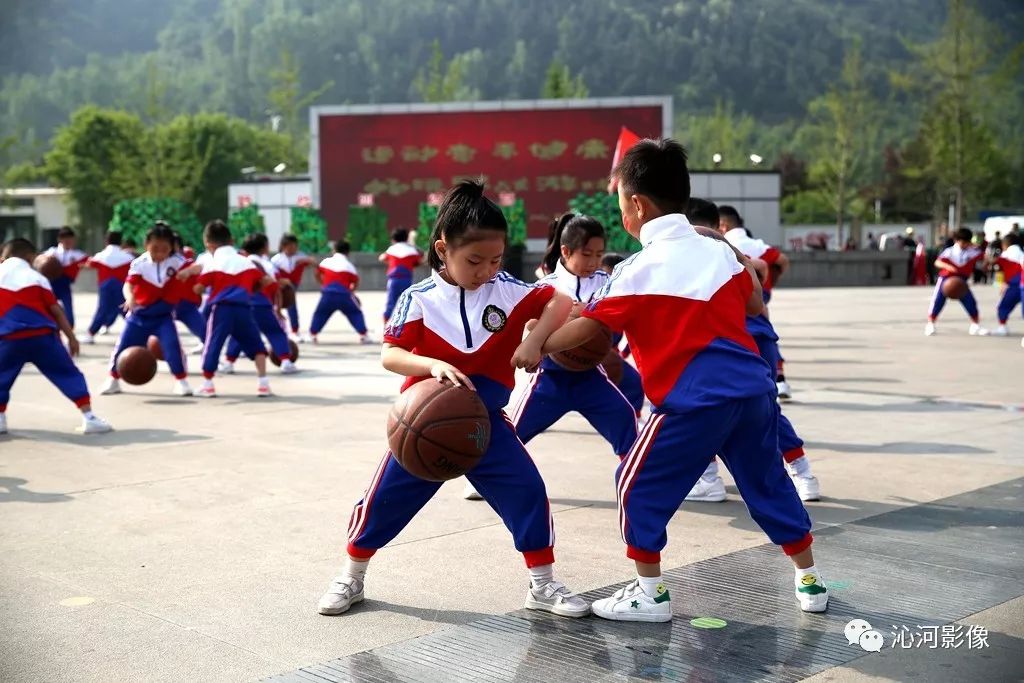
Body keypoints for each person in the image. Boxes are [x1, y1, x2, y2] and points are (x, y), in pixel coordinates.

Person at [543, 139, 827, 621]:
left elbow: (589, 332)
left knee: (634, 484)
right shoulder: (717, 255)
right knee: (768, 485)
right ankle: (810, 581)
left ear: (636, 204)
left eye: (620, 204)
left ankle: (649, 594)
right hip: (753, 392)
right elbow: (755, 302)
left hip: (692, 402)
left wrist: (534, 345)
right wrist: (731, 252)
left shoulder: (635, 269)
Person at [317, 181, 588, 619]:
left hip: (487, 424)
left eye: (496, 259)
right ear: (443, 250)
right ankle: (352, 575)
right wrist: (430, 366)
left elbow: (559, 299)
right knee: (383, 500)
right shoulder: (418, 298)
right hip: (425, 427)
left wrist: (535, 340)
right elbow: (390, 354)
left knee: (528, 492)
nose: (486, 270)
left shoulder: (507, 289)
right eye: (474, 260)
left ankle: (542, 585)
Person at [464, 214, 638, 501]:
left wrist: (588, 314)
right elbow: (529, 326)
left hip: (592, 375)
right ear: (566, 252)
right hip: (550, 378)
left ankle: (638, 479)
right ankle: (485, 478)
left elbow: (618, 320)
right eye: (587, 254)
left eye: (598, 254)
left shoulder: (607, 282)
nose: (594, 261)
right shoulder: (548, 286)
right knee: (511, 433)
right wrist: (559, 323)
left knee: (625, 422)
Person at [685, 198, 820, 503]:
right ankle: (803, 472)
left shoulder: (691, 254)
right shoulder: (731, 253)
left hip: (731, 345)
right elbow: (761, 267)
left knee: (700, 407)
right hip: (759, 337)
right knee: (766, 410)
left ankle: (709, 480)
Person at [0, 238, 112, 435]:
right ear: (29, 257)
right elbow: (57, 310)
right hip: (43, 337)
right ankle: (89, 417)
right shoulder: (37, 278)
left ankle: (0, 419)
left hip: (9, 339)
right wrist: (72, 337)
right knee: (67, 373)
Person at [177, 220, 273, 398]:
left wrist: (192, 283)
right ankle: (263, 384)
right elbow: (266, 281)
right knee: (256, 345)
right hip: (244, 309)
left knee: (213, 344)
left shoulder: (213, 262)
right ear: (231, 240)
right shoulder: (246, 262)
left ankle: (208, 384)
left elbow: (198, 288)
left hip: (221, 310)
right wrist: (250, 289)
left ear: (208, 244)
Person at [101, 223, 192, 397]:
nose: (159, 253)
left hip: (163, 316)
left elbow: (201, 266)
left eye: (164, 249)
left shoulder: (178, 262)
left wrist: (190, 271)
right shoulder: (139, 263)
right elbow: (128, 284)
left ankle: (181, 381)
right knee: (122, 345)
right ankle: (113, 379)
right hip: (139, 315)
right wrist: (130, 297)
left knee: (172, 346)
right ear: (146, 245)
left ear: (171, 247)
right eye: (155, 248)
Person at [718, 206, 794, 399]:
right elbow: (782, 260)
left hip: (734, 299)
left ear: (723, 225)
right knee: (765, 333)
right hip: (759, 297)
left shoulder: (721, 244)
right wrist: (771, 283)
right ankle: (779, 377)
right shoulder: (758, 245)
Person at [219, 233, 298, 375]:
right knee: (275, 332)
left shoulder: (239, 261)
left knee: (239, 334)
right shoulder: (267, 264)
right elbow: (276, 286)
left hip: (244, 304)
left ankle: (229, 362)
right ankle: (286, 361)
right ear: (264, 248)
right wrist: (278, 308)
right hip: (263, 305)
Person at [600, 253, 645, 416]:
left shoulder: (625, 297)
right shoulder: (594, 293)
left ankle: (631, 419)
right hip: (584, 353)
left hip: (606, 355)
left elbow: (633, 334)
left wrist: (622, 353)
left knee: (634, 382)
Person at [925, 227, 988, 336]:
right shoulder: (950, 251)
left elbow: (985, 258)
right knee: (937, 301)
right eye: (962, 242)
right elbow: (938, 262)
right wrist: (948, 266)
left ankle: (975, 325)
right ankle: (931, 323)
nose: (964, 245)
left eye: (967, 242)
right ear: (956, 240)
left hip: (961, 281)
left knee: (970, 301)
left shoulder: (973, 251)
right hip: (946, 279)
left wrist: (985, 264)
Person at [309, 240, 373, 344]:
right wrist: (351, 292)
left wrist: (323, 285)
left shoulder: (326, 262)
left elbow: (317, 274)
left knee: (320, 313)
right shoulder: (350, 266)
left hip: (328, 294)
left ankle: (313, 334)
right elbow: (356, 281)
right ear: (348, 252)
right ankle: (363, 335)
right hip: (344, 295)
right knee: (355, 313)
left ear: (334, 250)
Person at [83, 231, 133, 343]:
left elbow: (89, 264)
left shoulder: (100, 256)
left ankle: (91, 333)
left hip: (105, 285)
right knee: (125, 309)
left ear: (106, 241)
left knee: (103, 309)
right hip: (121, 285)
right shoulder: (128, 257)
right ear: (121, 242)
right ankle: (141, 332)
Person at [270, 235, 315, 341]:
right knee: (274, 306)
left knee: (291, 305)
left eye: (295, 247)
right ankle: (275, 329)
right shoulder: (276, 259)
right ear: (283, 246)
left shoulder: (300, 256)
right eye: (290, 247)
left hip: (292, 284)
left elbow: (314, 263)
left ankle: (294, 331)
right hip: (279, 284)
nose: (293, 249)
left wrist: (305, 261)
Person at [43, 226, 88, 329]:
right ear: (59, 240)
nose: (68, 241)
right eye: (65, 239)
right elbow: (39, 262)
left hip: (64, 285)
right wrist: (47, 261)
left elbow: (90, 262)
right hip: (51, 285)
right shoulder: (51, 252)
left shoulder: (78, 255)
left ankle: (70, 327)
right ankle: (48, 326)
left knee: (68, 308)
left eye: (70, 239)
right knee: (49, 307)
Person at [171, 235, 207, 353]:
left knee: (206, 333)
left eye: (172, 246)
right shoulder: (157, 264)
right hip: (166, 306)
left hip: (186, 306)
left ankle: (213, 359)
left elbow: (201, 273)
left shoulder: (189, 264)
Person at [379, 228, 422, 324]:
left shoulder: (391, 249)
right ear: (406, 238)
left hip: (393, 280)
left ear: (393, 239)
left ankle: (386, 325)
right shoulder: (411, 250)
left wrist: (390, 261)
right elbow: (419, 261)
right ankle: (406, 325)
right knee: (407, 303)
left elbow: (381, 258)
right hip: (406, 280)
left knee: (390, 303)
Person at [993, 233, 1023, 336]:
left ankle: (1002, 327)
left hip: (1014, 284)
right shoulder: (1021, 253)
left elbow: (1001, 270)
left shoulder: (1005, 255)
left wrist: (1001, 284)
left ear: (1004, 244)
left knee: (1002, 307)